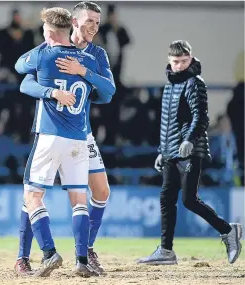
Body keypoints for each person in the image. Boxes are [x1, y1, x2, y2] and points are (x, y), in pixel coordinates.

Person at [13, 1, 115, 275]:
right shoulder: (59, 51)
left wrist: (83, 73)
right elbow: (26, 82)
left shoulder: (95, 55)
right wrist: (55, 90)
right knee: (77, 196)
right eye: (90, 21)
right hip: (75, 135)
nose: (94, 26)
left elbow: (108, 92)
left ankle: (79, 252)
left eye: (97, 21)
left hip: (77, 134)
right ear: (74, 23)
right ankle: (26, 256)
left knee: (95, 191)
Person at [136, 40, 242, 265]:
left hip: (190, 149)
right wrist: (161, 151)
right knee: (166, 197)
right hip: (171, 151)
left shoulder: (195, 83)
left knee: (189, 200)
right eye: (176, 62)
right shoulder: (169, 85)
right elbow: (167, 123)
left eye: (184, 61)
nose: (180, 66)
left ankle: (228, 231)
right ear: (169, 61)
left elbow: (201, 117)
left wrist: (189, 140)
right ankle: (166, 251)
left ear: (191, 58)